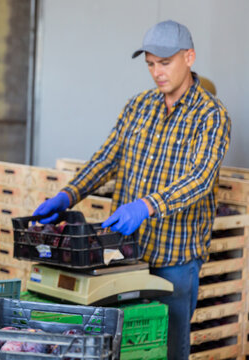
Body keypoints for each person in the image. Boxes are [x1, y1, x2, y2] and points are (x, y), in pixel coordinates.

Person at [34, 20, 230, 359]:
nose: (157, 72)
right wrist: (68, 195)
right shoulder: (138, 106)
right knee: (127, 345)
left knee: (168, 346)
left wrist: (147, 206)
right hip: (127, 255)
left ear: (190, 57)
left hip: (176, 257)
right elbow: (106, 160)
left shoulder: (211, 115)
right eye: (151, 64)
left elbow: (201, 177)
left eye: (165, 63)